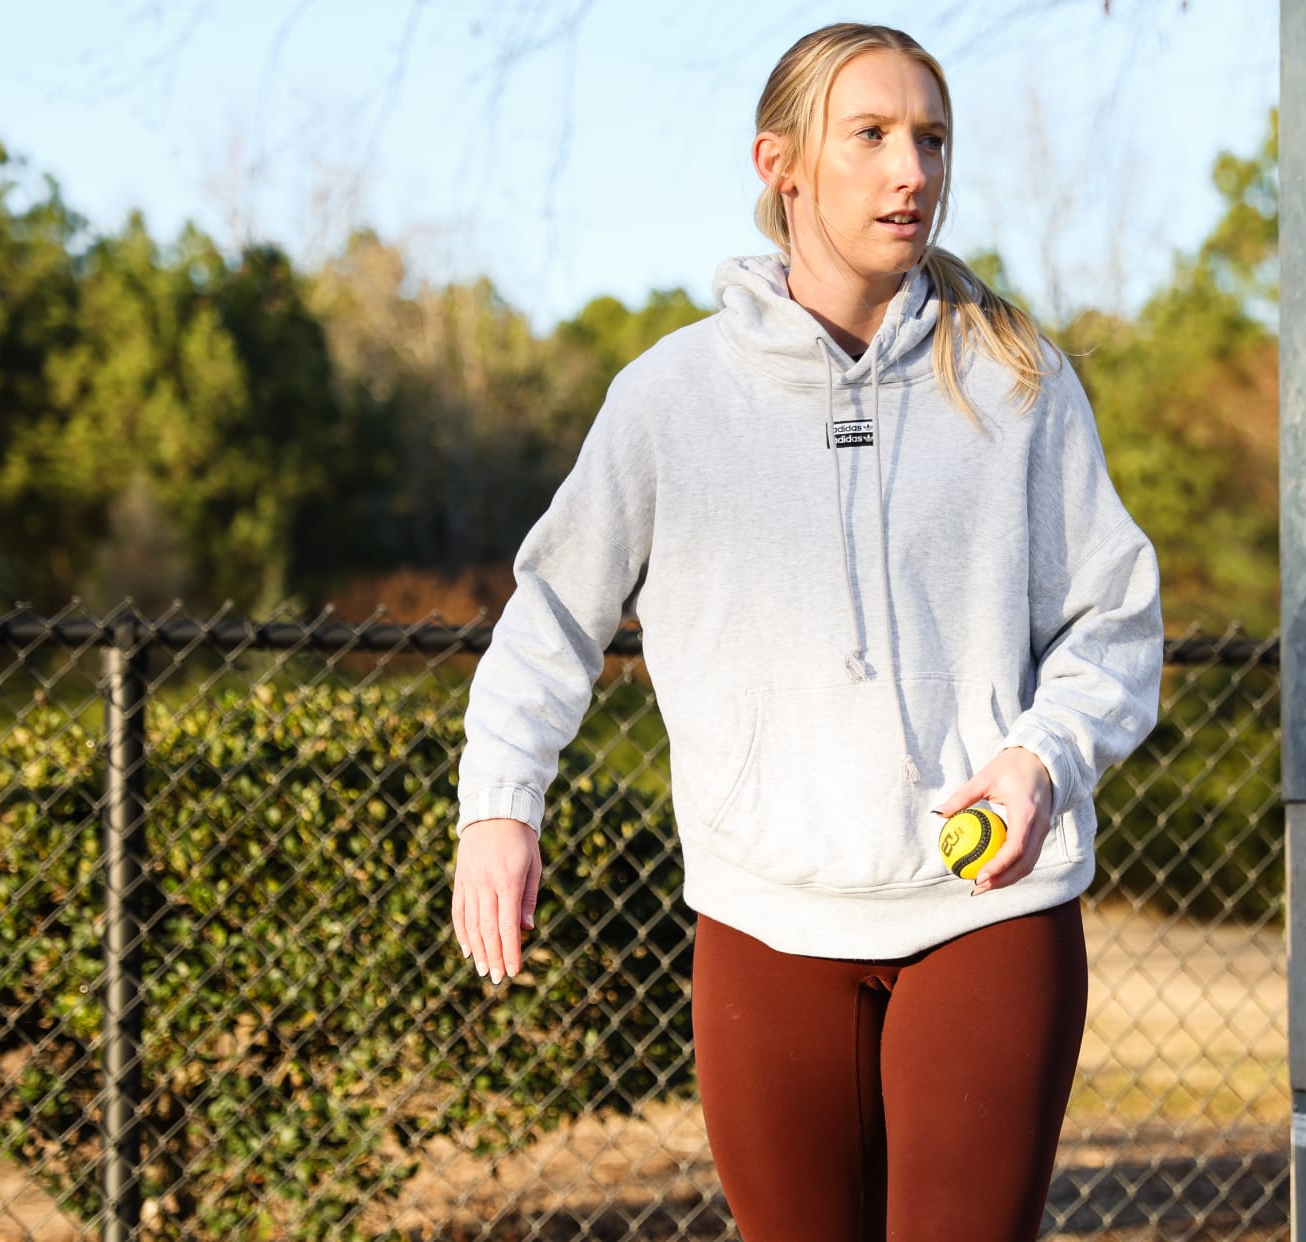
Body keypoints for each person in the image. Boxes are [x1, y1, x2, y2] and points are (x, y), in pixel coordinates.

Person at [450, 22, 1163, 1241]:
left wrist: (1042, 760)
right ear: (781, 164)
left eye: (931, 140)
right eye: (873, 136)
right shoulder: (670, 400)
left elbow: (1116, 621)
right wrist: (499, 805)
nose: (913, 172)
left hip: (988, 913)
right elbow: (552, 617)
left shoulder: (1017, 377)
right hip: (766, 918)